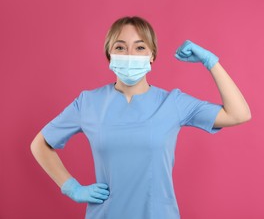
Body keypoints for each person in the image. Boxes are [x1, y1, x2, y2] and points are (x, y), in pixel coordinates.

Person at [30, 16, 251, 219]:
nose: (129, 55)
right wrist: (72, 188)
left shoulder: (173, 103)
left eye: (140, 47)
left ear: (152, 55)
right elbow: (40, 144)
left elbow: (238, 114)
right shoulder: (88, 102)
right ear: (109, 55)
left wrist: (211, 62)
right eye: (120, 47)